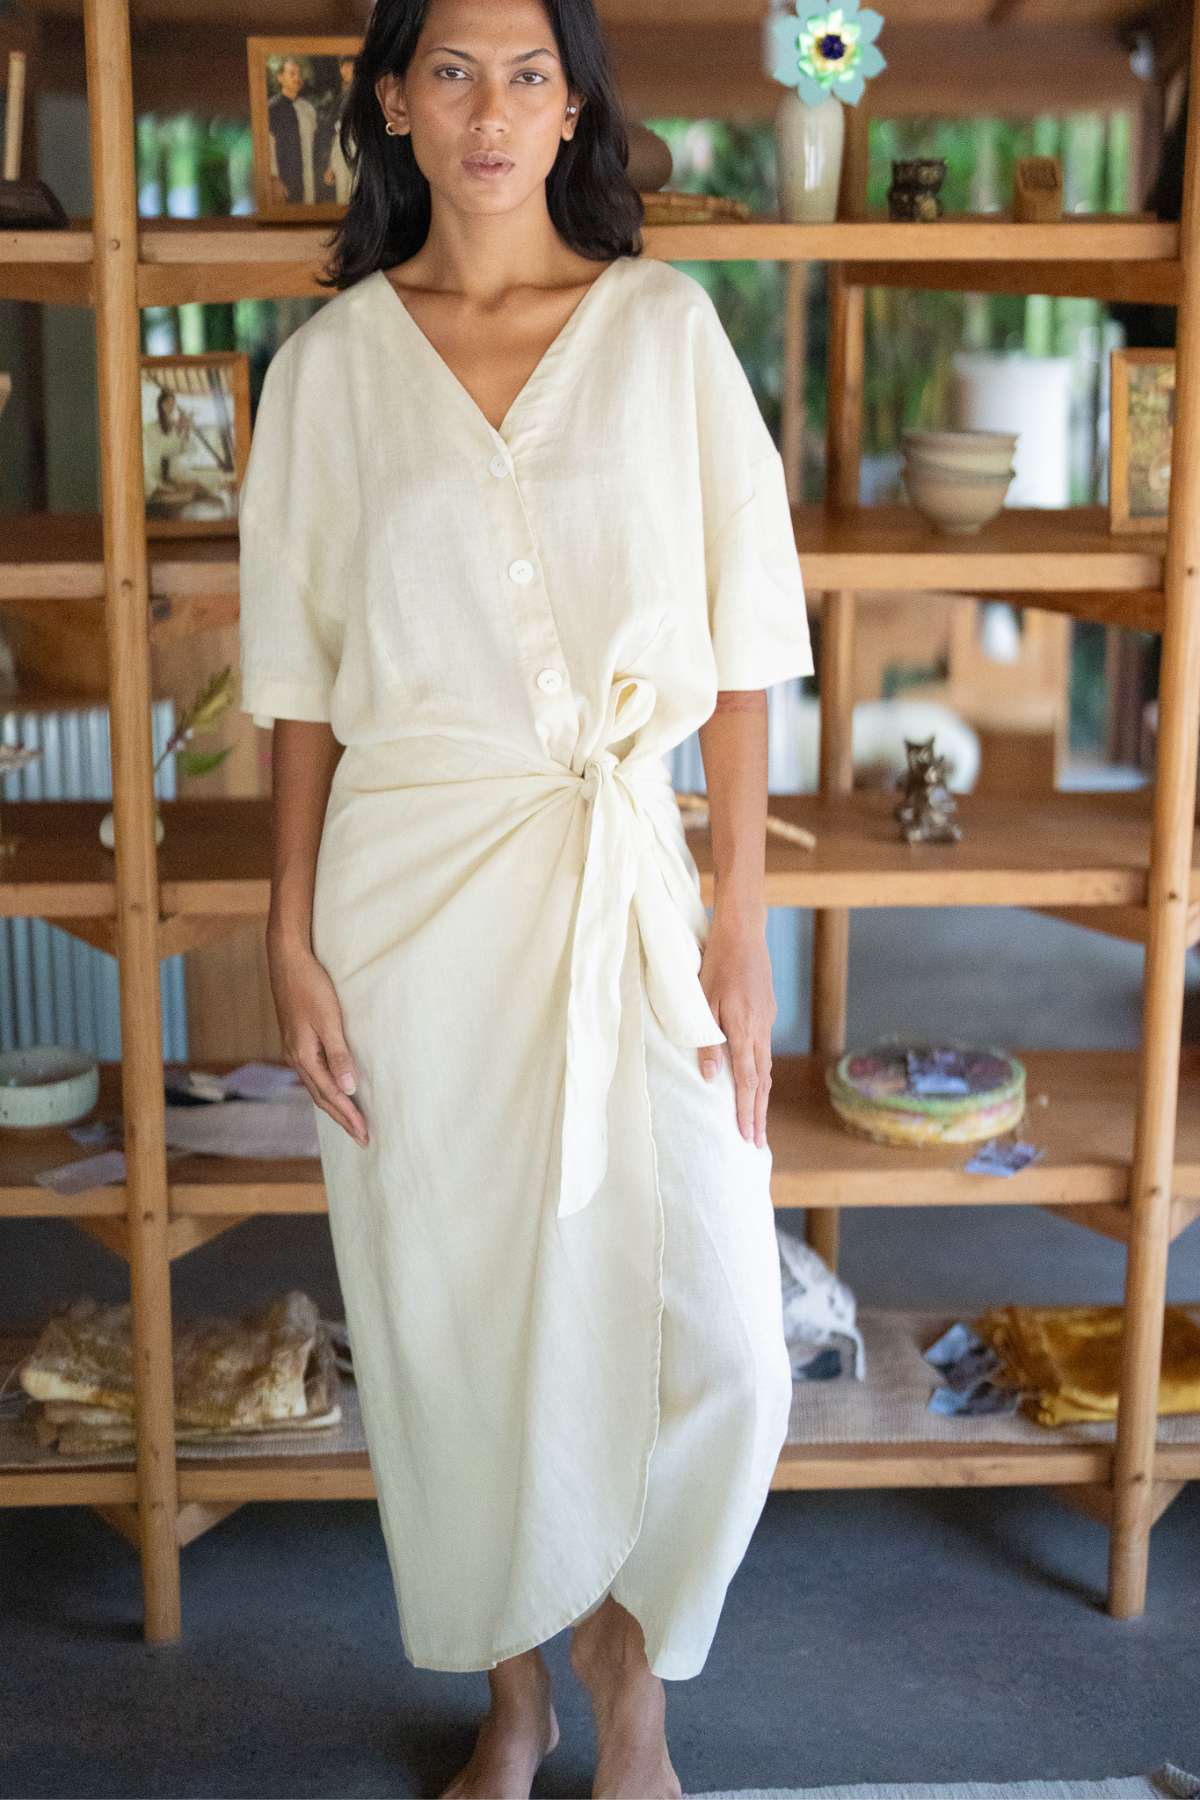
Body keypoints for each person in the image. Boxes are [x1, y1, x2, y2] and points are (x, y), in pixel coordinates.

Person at [237, 0, 813, 1795]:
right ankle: (520, 1700)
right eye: (454, 70)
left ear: (576, 108)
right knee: (453, 1322)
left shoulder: (663, 336)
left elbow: (741, 648)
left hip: (626, 884)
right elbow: (302, 685)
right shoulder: (328, 368)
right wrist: (286, 929)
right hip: (408, 903)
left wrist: (738, 914)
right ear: (396, 105)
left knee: (715, 1324)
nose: (493, 109)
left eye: (530, 70)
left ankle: (636, 1687)